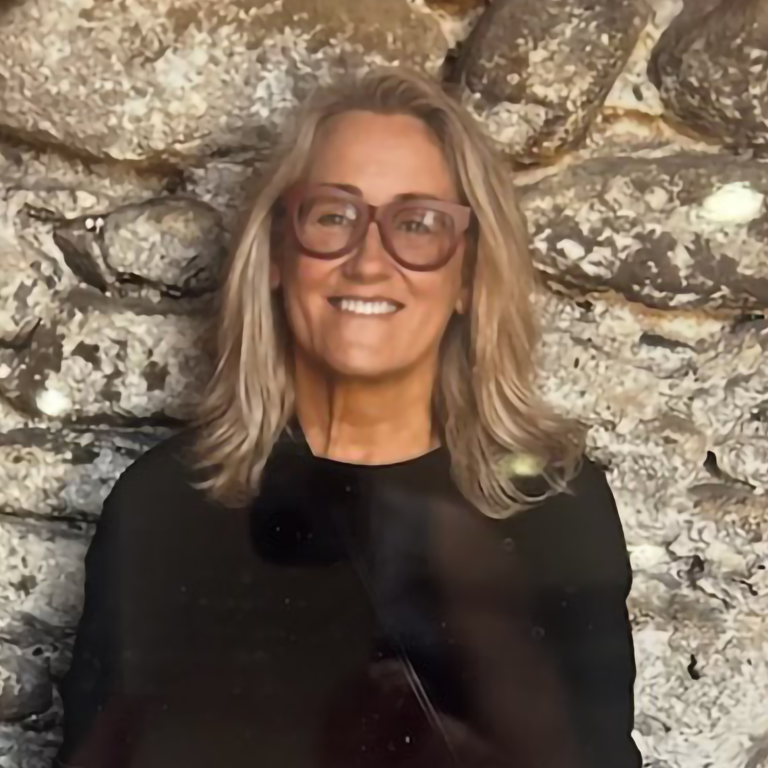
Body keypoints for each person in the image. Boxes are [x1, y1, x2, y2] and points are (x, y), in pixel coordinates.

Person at [56, 67, 641, 768]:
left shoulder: (554, 511)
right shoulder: (162, 506)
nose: (368, 262)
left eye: (417, 224)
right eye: (333, 215)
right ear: (278, 253)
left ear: (467, 275)